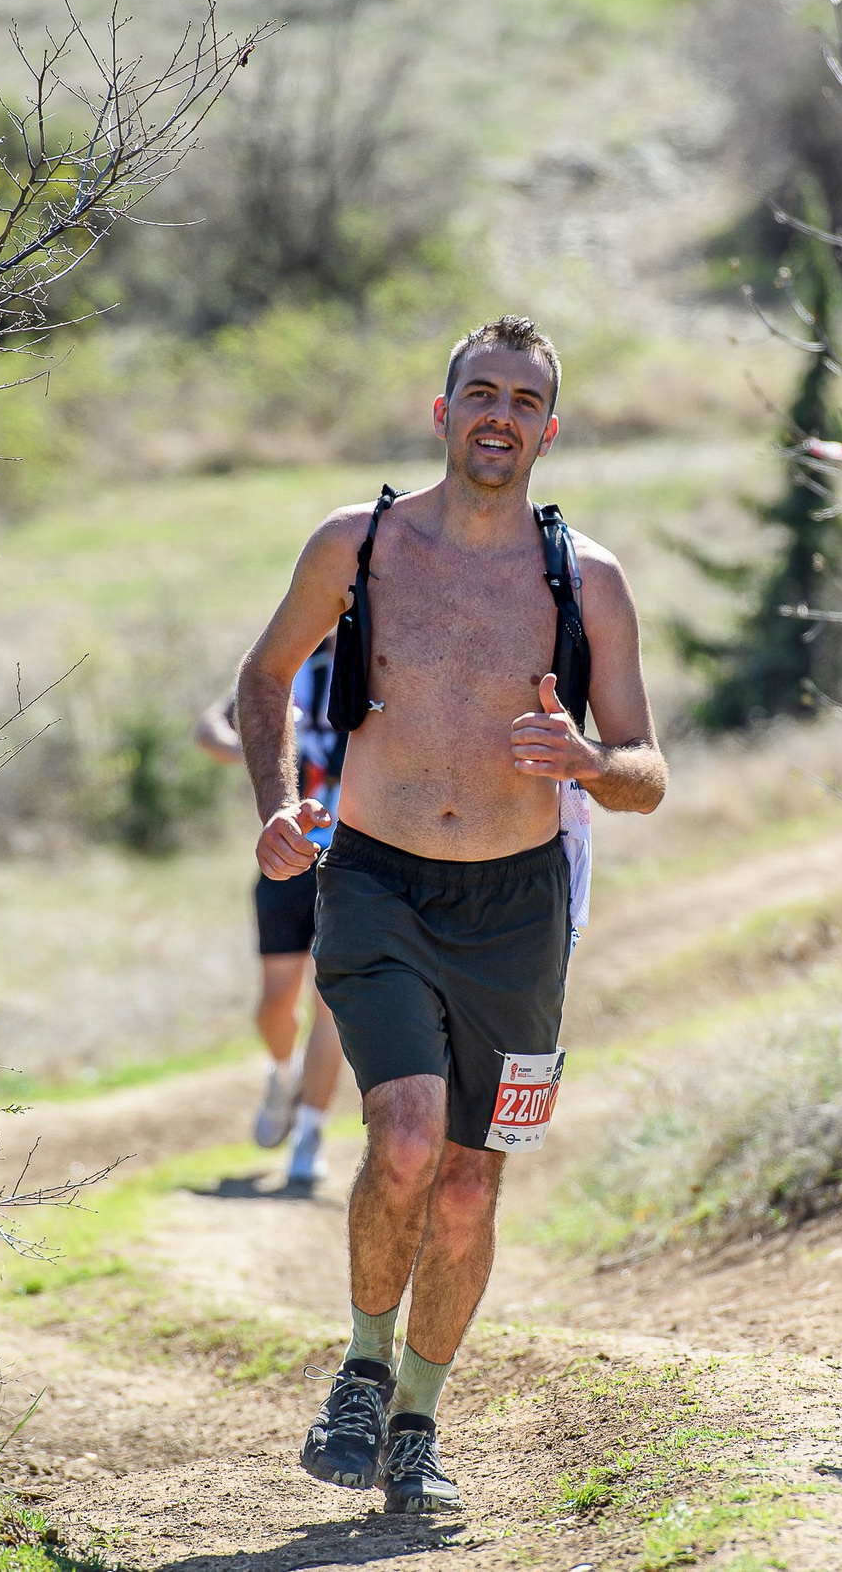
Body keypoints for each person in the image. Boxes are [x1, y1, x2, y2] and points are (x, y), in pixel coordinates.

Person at [235, 314, 666, 1513]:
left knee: (471, 1186)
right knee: (410, 1141)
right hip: (375, 883)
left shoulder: (586, 580)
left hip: (519, 910)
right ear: (442, 411)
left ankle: (416, 1421)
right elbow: (264, 675)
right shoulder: (358, 544)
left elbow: (646, 771)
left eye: (524, 401)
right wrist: (276, 807)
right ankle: (362, 1372)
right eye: (481, 393)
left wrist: (586, 762)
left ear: (549, 430)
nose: (499, 417)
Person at [193, 638, 349, 1187]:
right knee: (275, 1003)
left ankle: (310, 1134)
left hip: (357, 859)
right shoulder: (290, 657)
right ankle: (282, 1076)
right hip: (289, 853)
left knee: (331, 1003)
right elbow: (209, 728)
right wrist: (262, 750)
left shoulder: (389, 653)